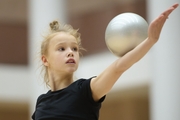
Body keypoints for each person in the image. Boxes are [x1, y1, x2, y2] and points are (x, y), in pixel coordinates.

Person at [32, 3, 179, 120]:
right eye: (61, 49)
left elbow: (118, 67)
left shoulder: (85, 90)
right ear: (45, 60)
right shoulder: (42, 101)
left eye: (75, 49)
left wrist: (150, 40)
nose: (71, 52)